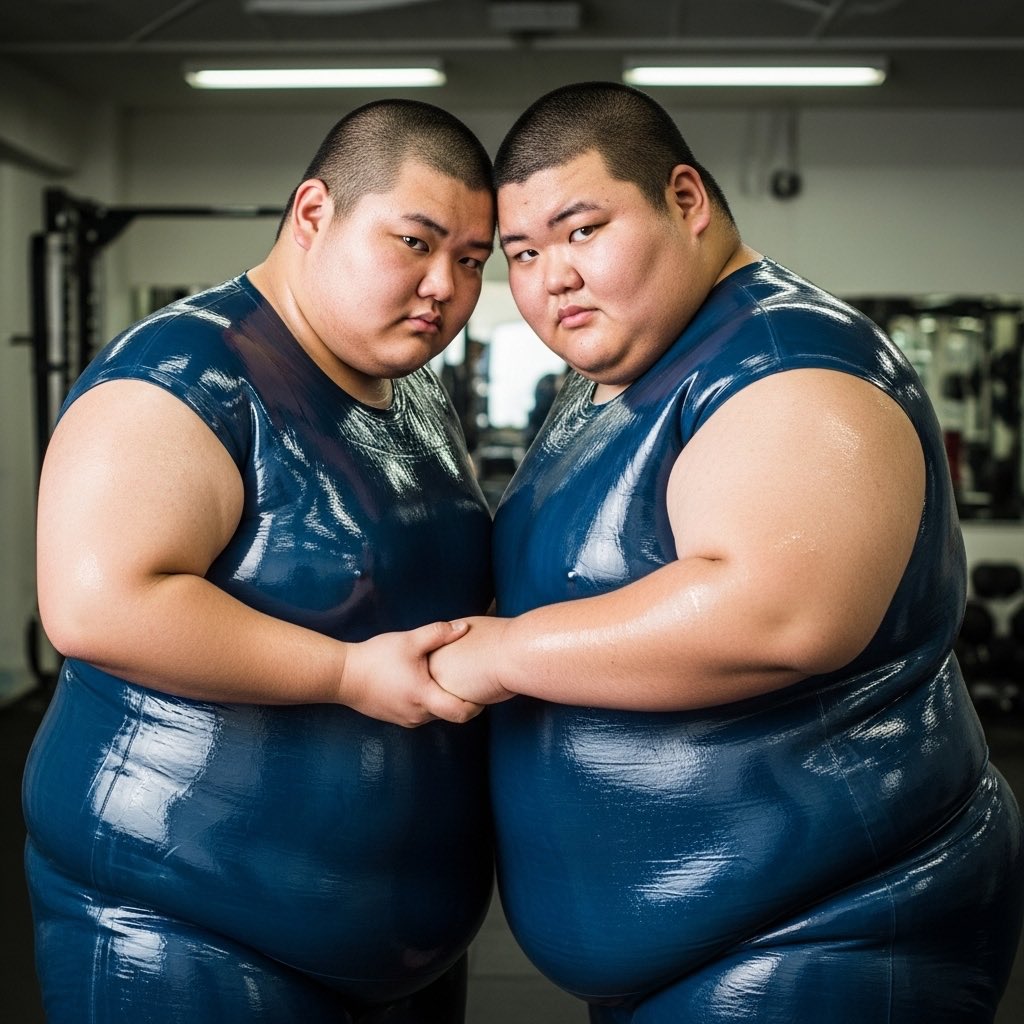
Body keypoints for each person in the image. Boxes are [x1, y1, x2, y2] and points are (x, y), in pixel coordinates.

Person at [429, 81, 1024, 1022]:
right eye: (523, 253)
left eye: (583, 230)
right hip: (698, 957)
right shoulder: (618, 378)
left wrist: (498, 654)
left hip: (821, 940)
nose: (553, 278)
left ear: (687, 202)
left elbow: (777, 616)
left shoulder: (787, 360)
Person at [24, 98, 496, 1024]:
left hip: (391, 934)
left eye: (473, 261)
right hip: (184, 919)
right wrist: (349, 673)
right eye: (415, 241)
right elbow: (98, 605)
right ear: (314, 214)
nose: (445, 284)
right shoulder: (181, 376)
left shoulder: (413, 390)